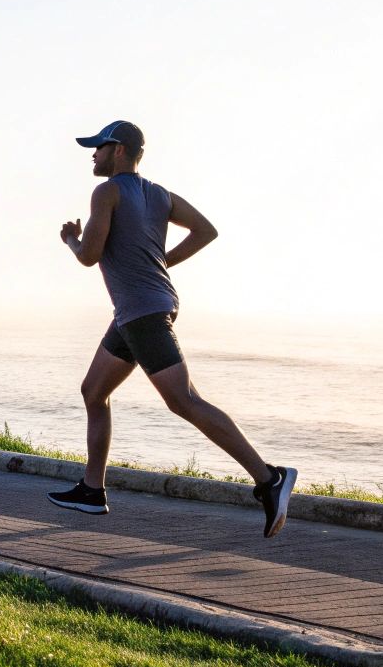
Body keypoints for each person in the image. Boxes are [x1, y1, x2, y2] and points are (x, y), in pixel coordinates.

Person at [49, 120, 296, 538]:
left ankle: (269, 478)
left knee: (183, 400)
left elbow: (89, 256)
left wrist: (71, 239)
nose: (93, 154)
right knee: (94, 391)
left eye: (99, 147)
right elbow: (206, 231)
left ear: (120, 151)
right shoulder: (160, 195)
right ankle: (92, 490)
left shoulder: (105, 192)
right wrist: (161, 263)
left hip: (143, 313)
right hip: (138, 311)